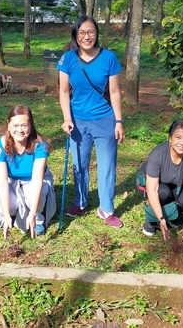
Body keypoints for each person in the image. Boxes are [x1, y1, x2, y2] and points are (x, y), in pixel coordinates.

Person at [57, 15, 125, 228]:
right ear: (76, 36)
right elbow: (63, 91)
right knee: (80, 165)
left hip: (105, 119)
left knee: (107, 166)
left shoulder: (109, 58)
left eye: (91, 32)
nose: (87, 36)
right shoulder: (67, 59)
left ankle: (107, 209)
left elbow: (114, 91)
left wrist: (119, 121)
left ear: (96, 35)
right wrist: (67, 119)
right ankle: (80, 201)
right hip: (77, 121)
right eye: (82, 33)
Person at [0, 105, 56, 238]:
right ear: (8, 125)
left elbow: (37, 180)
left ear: (31, 125)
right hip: (11, 181)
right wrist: (6, 214)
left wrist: (32, 213)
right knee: (3, 204)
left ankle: (38, 218)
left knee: (33, 196)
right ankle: (12, 217)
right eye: (15, 125)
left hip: (34, 181)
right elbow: (2, 182)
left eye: (24, 125)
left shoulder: (40, 145)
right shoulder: (0, 146)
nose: (20, 130)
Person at [137, 120, 183, 242]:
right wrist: (161, 219)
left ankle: (173, 213)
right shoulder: (158, 154)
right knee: (162, 192)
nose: (182, 143)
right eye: (178, 137)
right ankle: (153, 219)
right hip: (158, 185)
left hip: (178, 186)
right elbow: (152, 188)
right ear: (170, 139)